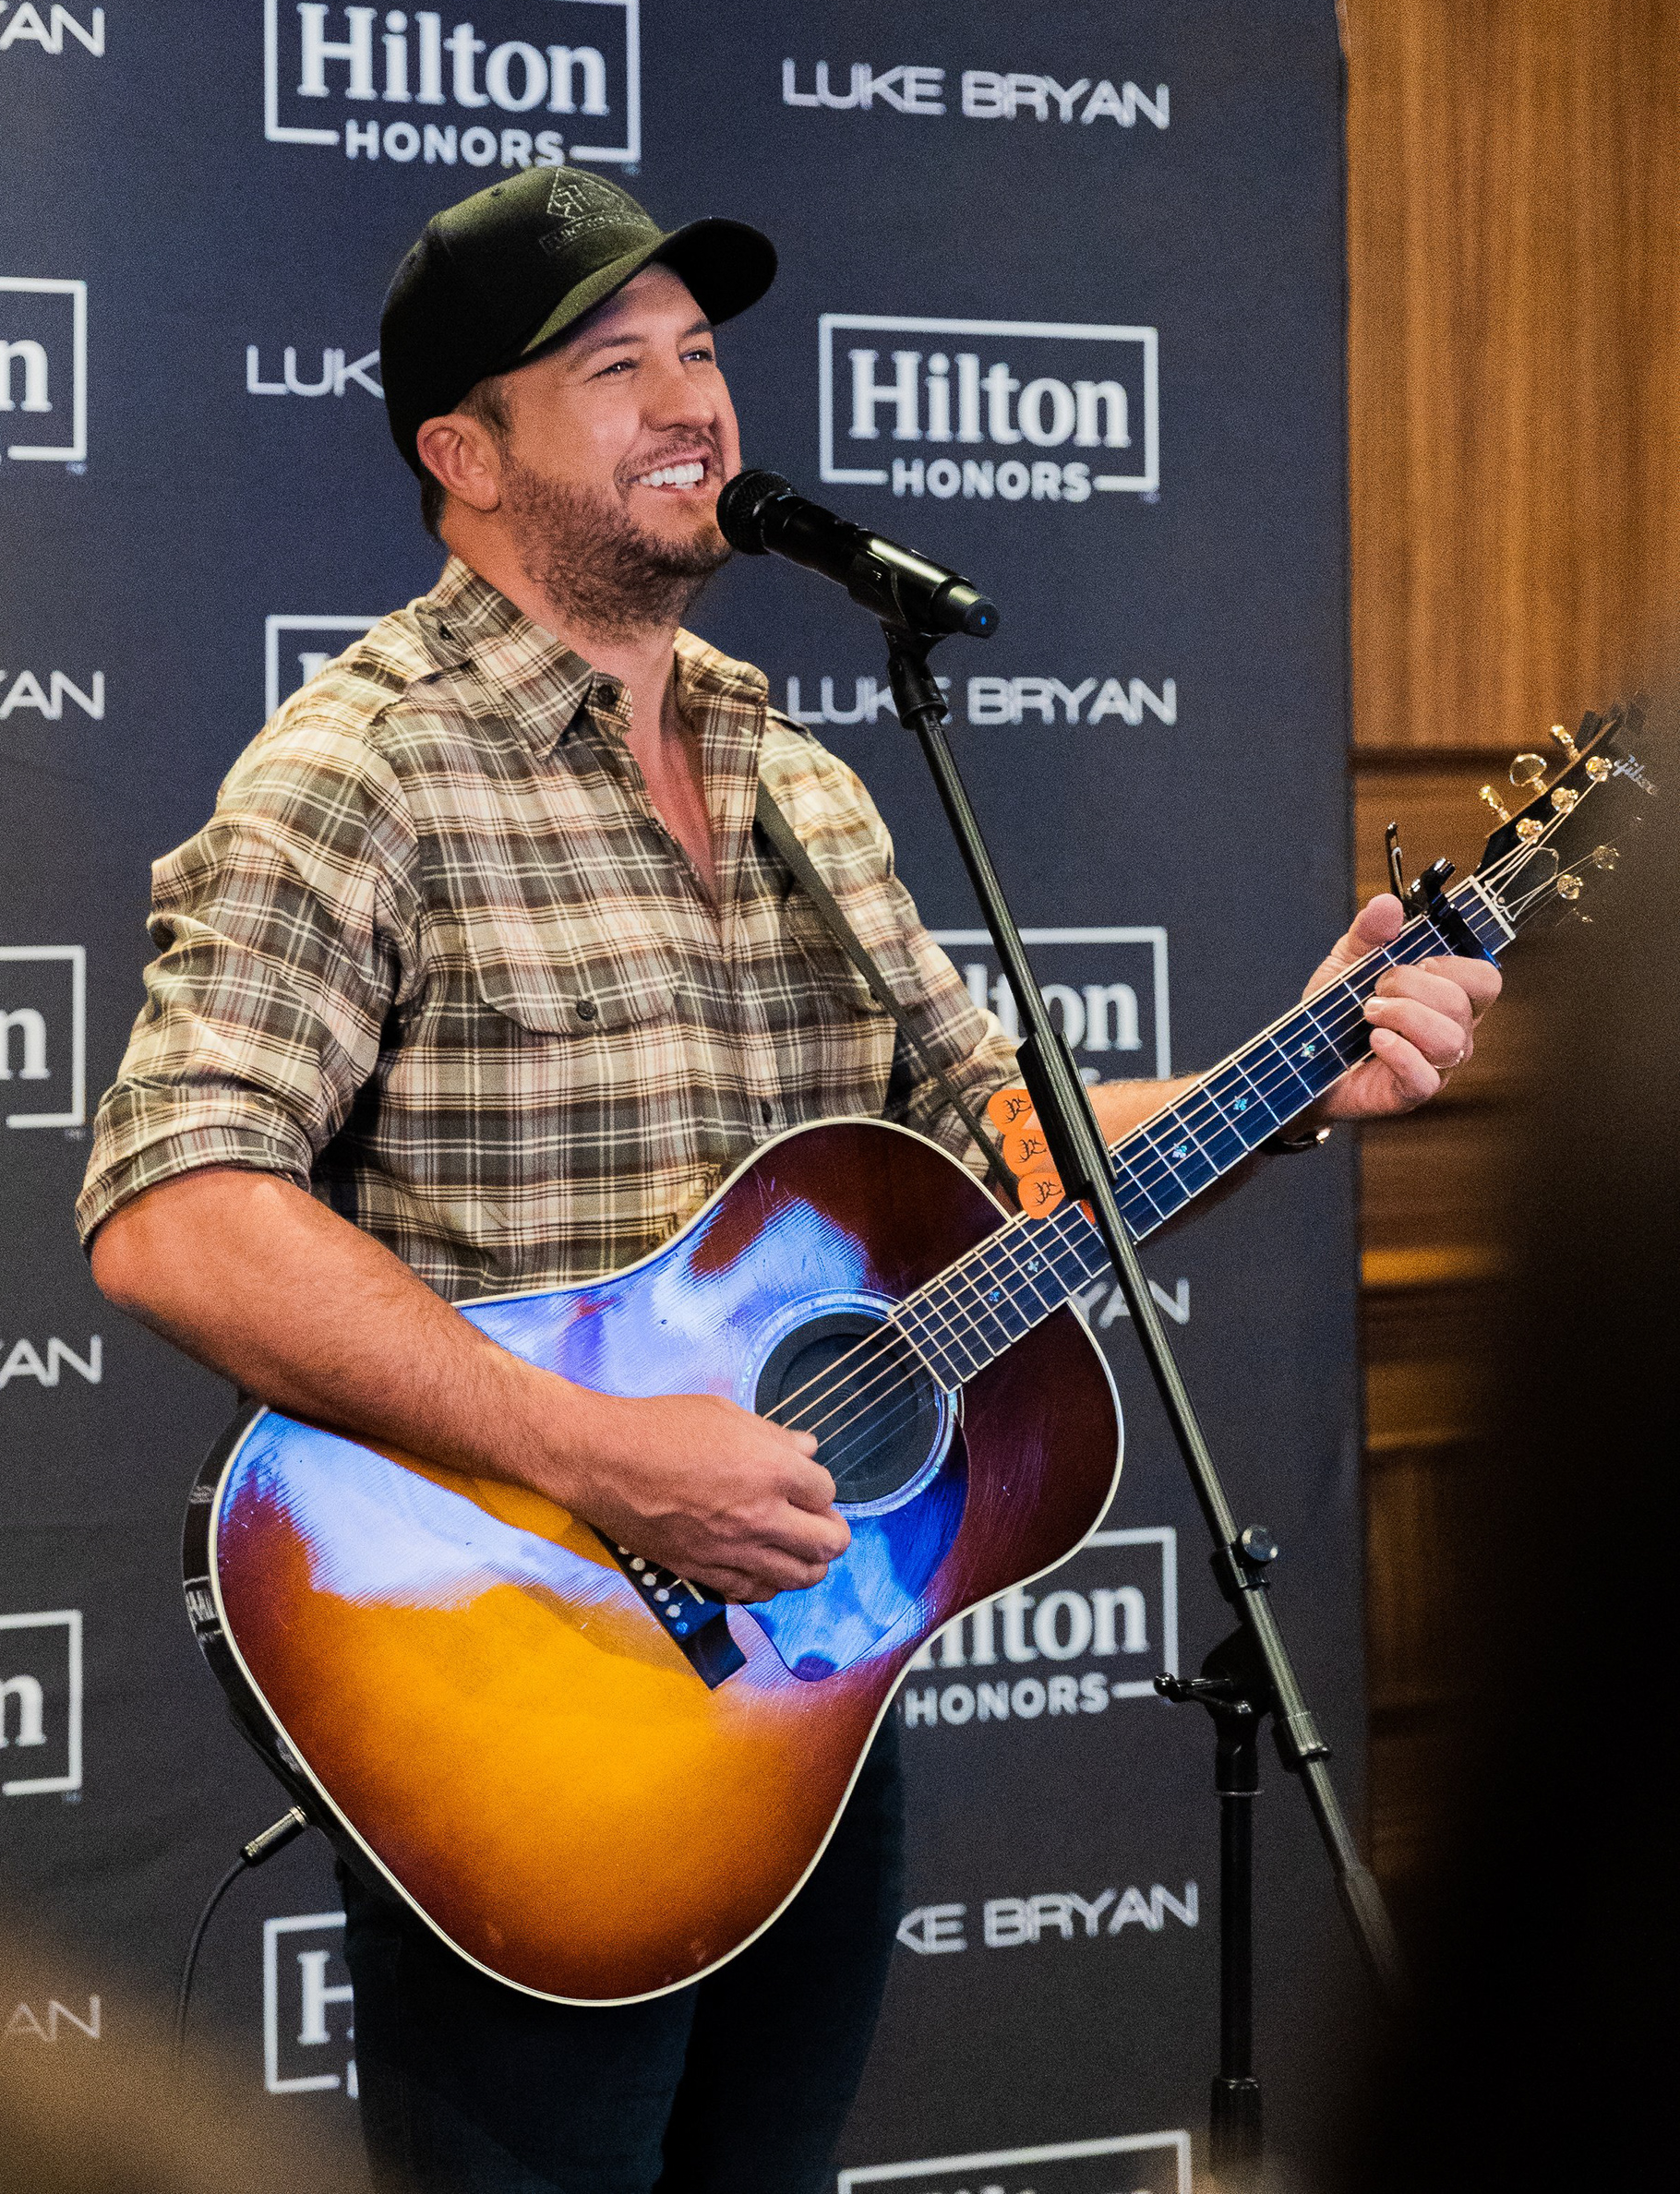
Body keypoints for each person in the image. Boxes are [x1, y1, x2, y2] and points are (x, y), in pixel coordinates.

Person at [78, 167, 1497, 2194]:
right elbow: (177, 1206)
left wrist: (1298, 1065)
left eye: (702, 355)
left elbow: (993, 1144)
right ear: (459, 457)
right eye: (614, 364)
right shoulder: (360, 771)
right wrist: (595, 1450)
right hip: (522, 1685)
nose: (693, 404)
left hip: (796, 1673)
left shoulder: (797, 773)